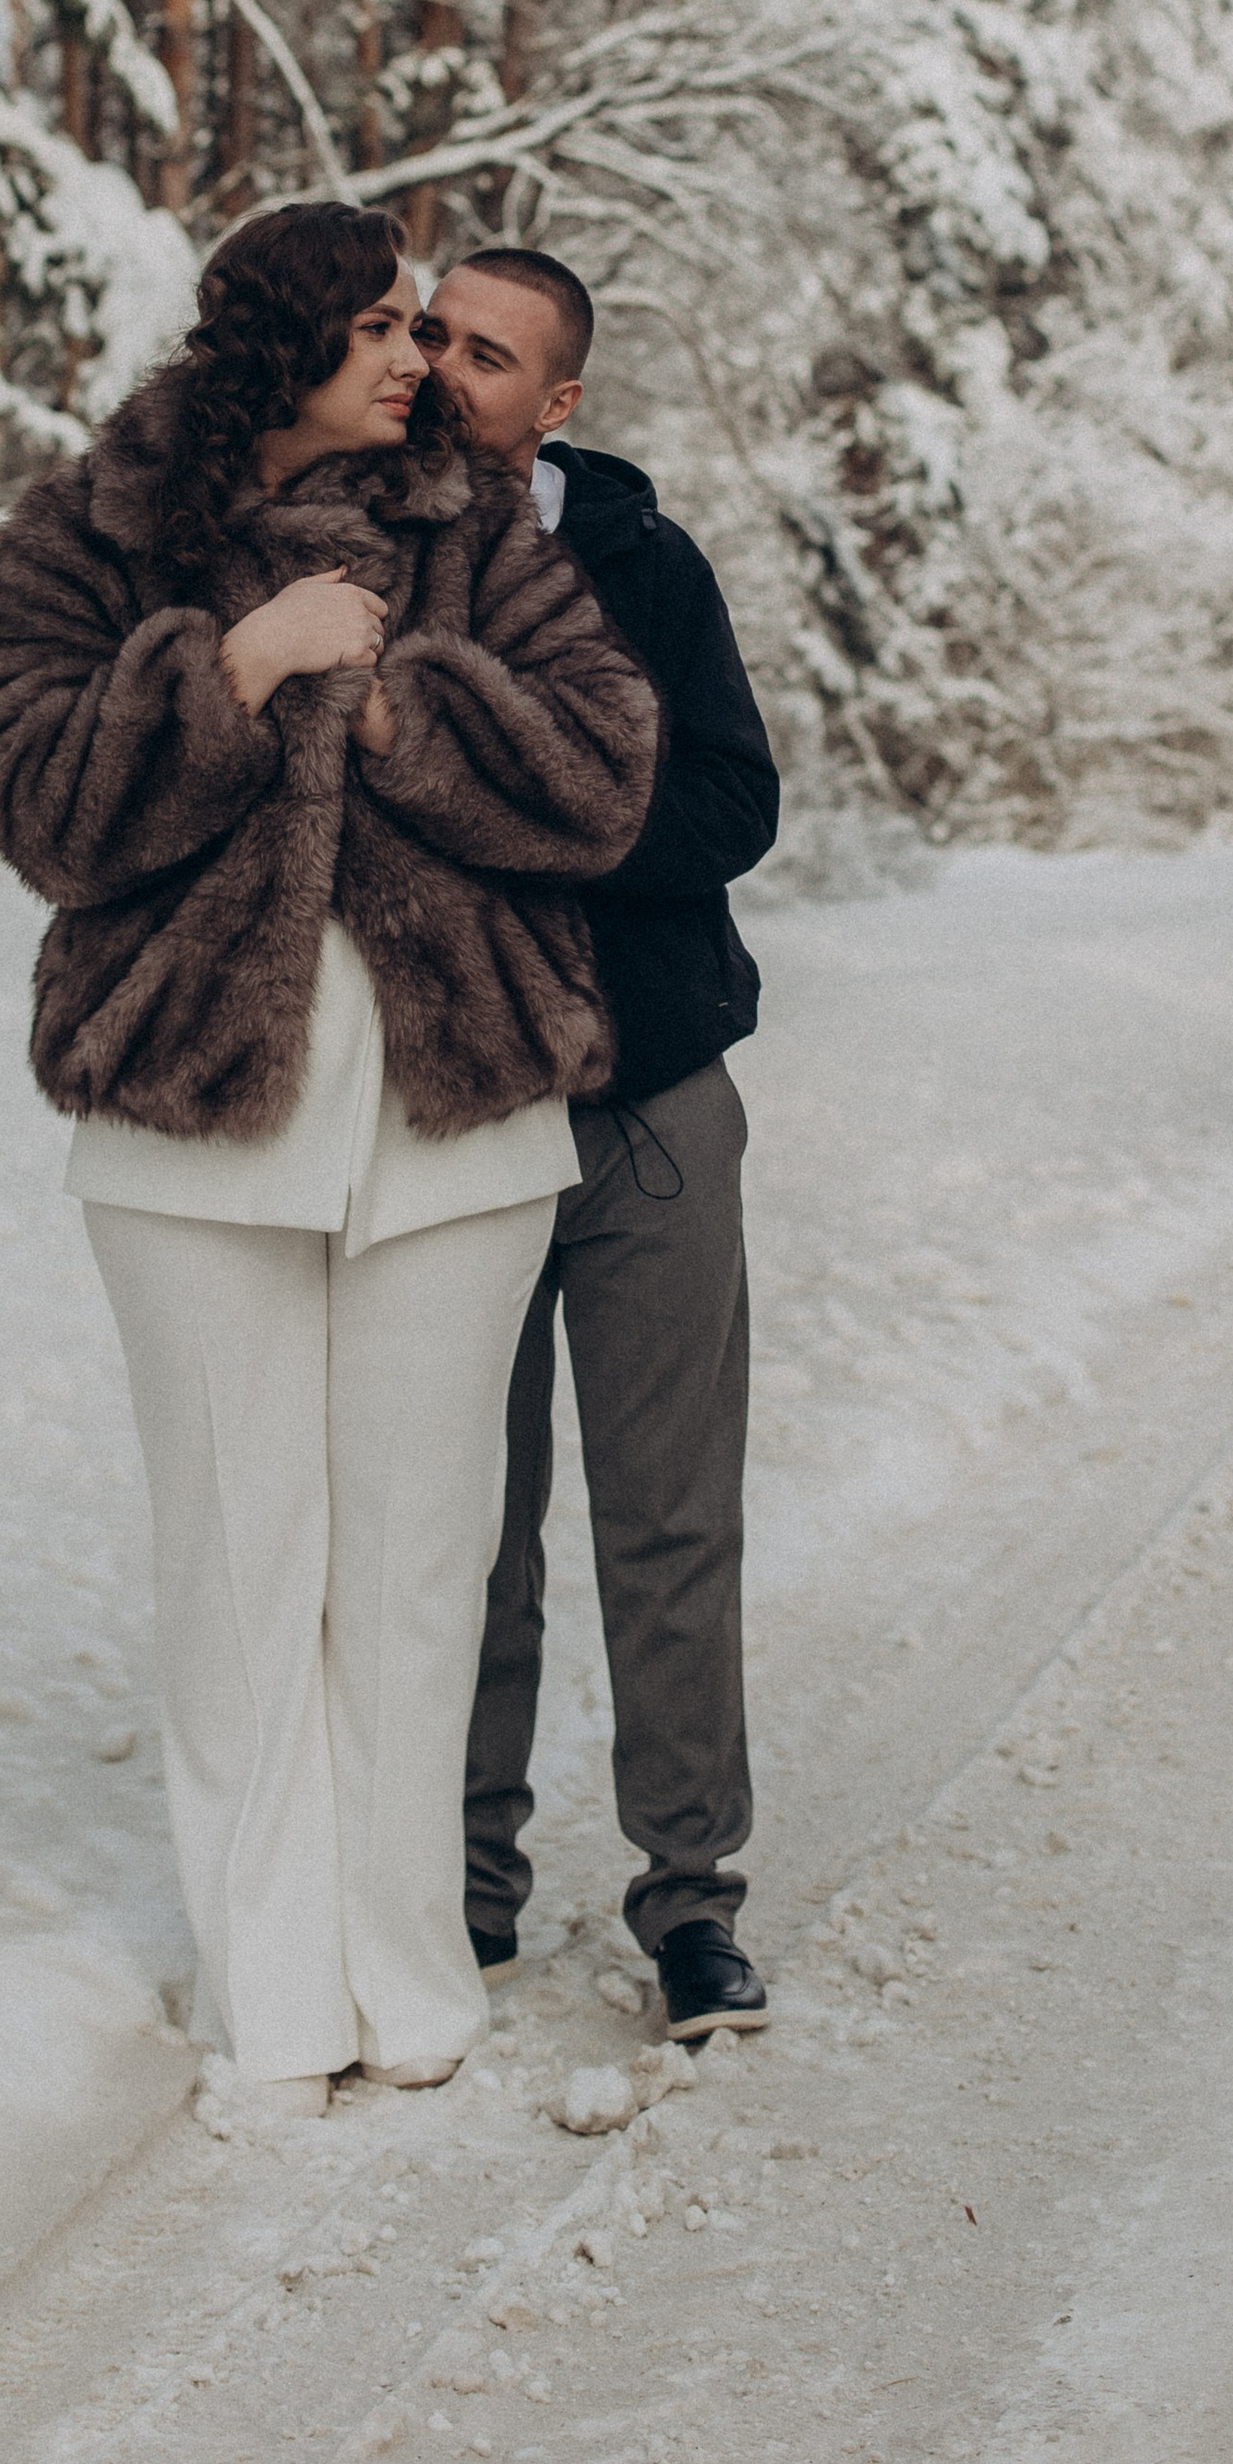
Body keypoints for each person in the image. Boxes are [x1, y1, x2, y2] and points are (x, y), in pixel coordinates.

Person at [0, 205, 659, 2102]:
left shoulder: (472, 531)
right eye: (377, 325)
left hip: (458, 1119)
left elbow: (606, 769)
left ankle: (407, 1980)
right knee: (239, 1570)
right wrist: (238, 664)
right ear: (274, 348)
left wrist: (401, 693)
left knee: (420, 1570)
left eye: (422, 329)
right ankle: (269, 1992)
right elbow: (33, 800)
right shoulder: (89, 533)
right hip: (190, 1120)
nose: (417, 359)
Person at [417, 249, 780, 2042]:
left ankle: (691, 1909)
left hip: (647, 1119)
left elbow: (733, 799)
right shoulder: (361, 547)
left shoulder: (647, 565)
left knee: (669, 1526)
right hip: (449, 1130)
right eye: (429, 332)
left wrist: (534, 808)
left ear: (558, 401)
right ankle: (462, 1894)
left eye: (486, 353)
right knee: (460, 1534)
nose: (443, 366)